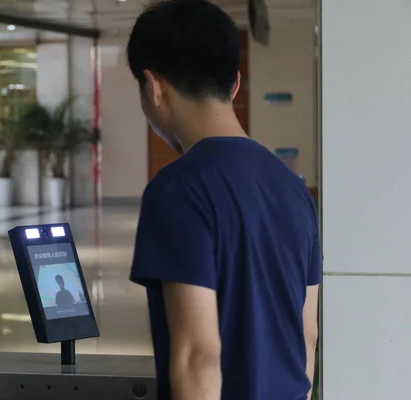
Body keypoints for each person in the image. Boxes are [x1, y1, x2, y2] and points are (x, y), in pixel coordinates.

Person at [127, 1, 321, 400]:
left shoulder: (176, 190)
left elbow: (199, 357)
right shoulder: (293, 188)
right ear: (234, 84)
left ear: (153, 87)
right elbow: (307, 334)